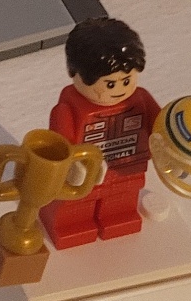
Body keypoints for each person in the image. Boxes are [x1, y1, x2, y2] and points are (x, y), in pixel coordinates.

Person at [39, 16, 159, 246]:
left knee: (122, 201)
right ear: (75, 73)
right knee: (74, 205)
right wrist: (72, 165)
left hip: (127, 167)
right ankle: (70, 225)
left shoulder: (141, 99)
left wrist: (170, 143)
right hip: (85, 176)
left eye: (127, 80)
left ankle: (118, 218)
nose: (119, 89)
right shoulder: (67, 109)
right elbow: (61, 144)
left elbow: (160, 124)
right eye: (109, 84)